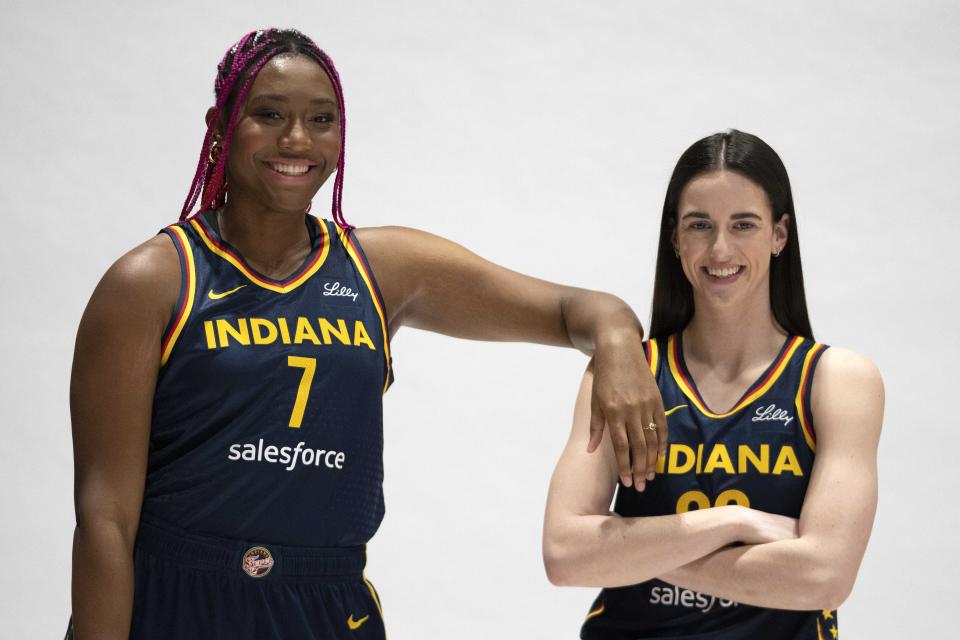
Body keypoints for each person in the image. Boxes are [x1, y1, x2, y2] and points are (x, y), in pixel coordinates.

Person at [67, 29, 667, 640]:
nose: (297, 139)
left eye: (321, 119)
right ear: (221, 125)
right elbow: (104, 519)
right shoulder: (151, 281)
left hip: (325, 602)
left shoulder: (379, 269)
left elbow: (577, 309)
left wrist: (618, 345)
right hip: (177, 597)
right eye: (269, 114)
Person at [543, 130, 884, 639]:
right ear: (676, 239)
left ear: (779, 235)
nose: (720, 248)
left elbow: (824, 576)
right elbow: (566, 555)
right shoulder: (628, 374)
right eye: (699, 225)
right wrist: (734, 522)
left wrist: (627, 554)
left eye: (743, 224)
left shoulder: (836, 380)